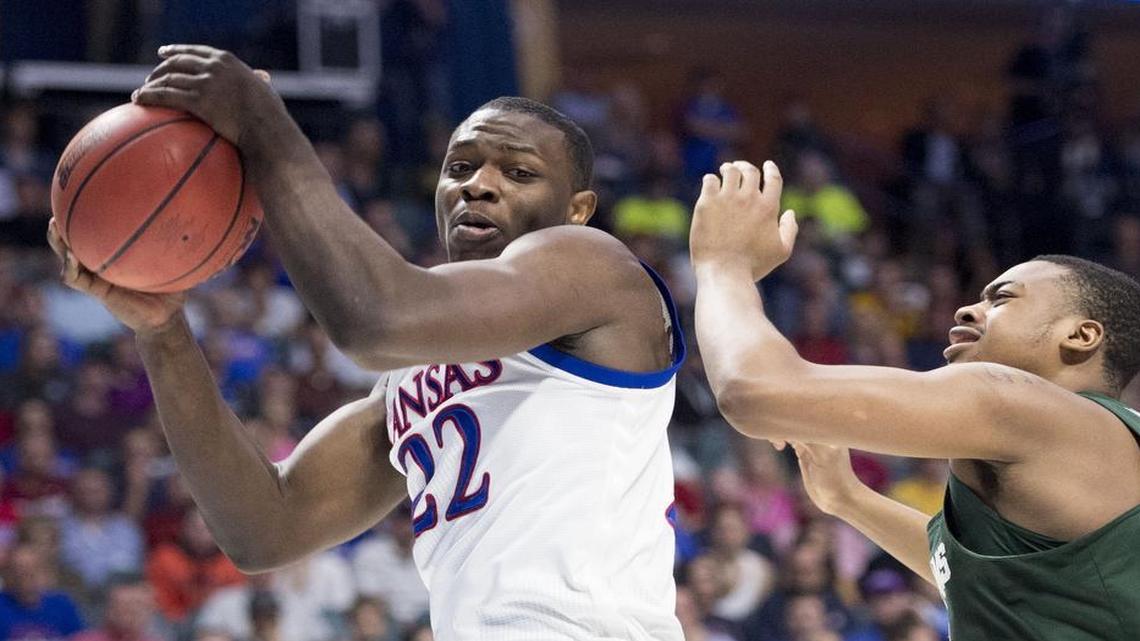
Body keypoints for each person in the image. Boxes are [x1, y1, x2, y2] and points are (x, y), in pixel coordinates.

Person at [49, 44, 685, 640]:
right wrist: (162, 330)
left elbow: (373, 321)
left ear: (577, 210)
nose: (478, 185)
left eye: (518, 172)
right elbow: (264, 528)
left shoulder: (595, 265)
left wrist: (266, 128)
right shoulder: (417, 364)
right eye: (460, 167)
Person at [689, 159, 1140, 639]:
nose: (968, 307)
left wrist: (723, 268)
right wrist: (848, 499)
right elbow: (984, 582)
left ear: (1081, 334)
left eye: (1002, 298)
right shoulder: (1101, 444)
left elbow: (751, 391)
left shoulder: (1019, 403)